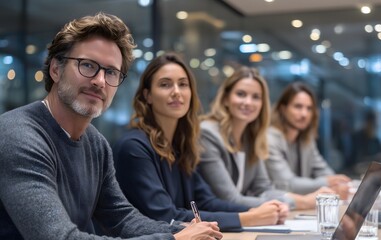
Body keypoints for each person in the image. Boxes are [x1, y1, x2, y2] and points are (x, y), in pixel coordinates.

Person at [0, 13, 221, 240]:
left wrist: (183, 230)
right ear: (56, 69)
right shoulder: (18, 135)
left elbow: (121, 218)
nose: (100, 81)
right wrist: (174, 239)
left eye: (111, 72)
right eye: (87, 65)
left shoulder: (95, 143)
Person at [113, 52, 287, 232]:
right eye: (165, 84)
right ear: (147, 95)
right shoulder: (133, 147)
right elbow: (166, 216)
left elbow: (206, 201)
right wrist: (248, 218)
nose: (176, 92)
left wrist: (256, 211)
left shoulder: (180, 145)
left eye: (183, 84)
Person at [198, 67, 333, 210]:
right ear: (225, 99)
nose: (248, 102)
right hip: (213, 225)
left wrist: (301, 199)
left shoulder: (251, 138)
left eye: (256, 97)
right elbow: (230, 199)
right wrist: (302, 202)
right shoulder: (208, 133)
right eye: (241, 94)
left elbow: (264, 189)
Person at [265, 81, 350, 198]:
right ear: (283, 109)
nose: (304, 114)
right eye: (298, 106)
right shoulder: (269, 140)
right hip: (276, 207)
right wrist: (328, 183)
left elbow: (323, 170)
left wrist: (337, 183)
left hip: (298, 208)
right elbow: (287, 184)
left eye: (309, 108)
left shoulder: (306, 140)